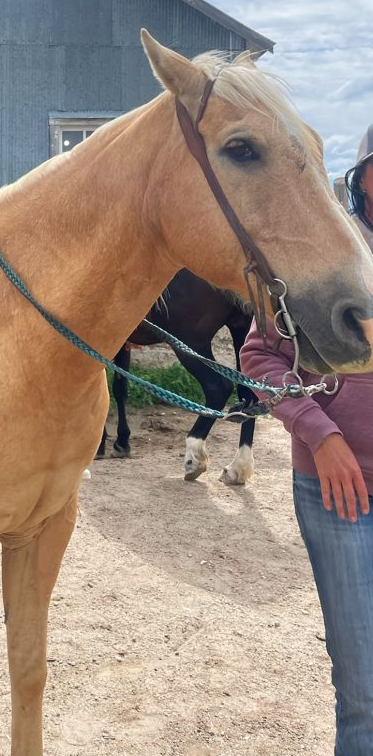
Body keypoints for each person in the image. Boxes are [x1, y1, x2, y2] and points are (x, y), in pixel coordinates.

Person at [240, 125, 373, 756]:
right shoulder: (317, 251)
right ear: (362, 176)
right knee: (364, 685)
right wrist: (319, 434)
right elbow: (260, 354)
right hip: (339, 493)